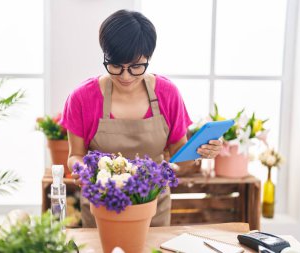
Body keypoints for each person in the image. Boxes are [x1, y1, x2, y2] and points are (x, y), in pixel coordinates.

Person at [60, 9, 222, 228]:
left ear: (149, 57)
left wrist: (200, 150)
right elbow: (75, 155)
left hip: (153, 207)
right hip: (101, 206)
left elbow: (179, 161)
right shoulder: (82, 98)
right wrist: (83, 170)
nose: (125, 76)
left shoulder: (167, 94)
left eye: (136, 66)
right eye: (116, 65)